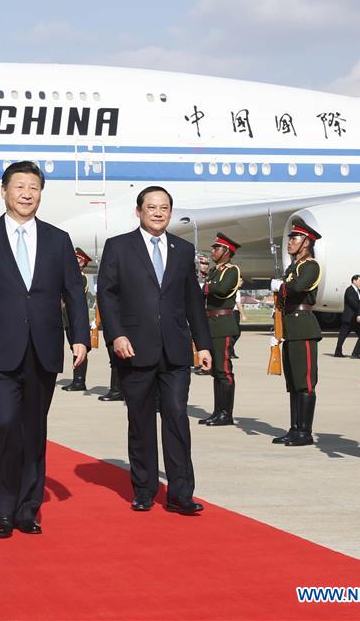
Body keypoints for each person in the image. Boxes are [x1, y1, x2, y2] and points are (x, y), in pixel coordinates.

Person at [0, 161, 89, 538]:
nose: (27, 194)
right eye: (19, 187)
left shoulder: (58, 239)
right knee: (4, 424)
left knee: (33, 430)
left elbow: (73, 293)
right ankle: (0, 509)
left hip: (44, 348)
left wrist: (79, 336)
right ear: (4, 191)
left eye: (33, 187)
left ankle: (27, 509)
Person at [96, 186, 212, 516]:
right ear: (139, 211)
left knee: (176, 417)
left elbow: (193, 301)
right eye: (151, 207)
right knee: (141, 421)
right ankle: (144, 490)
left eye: (164, 208)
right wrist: (115, 336)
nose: (158, 213)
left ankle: (180, 493)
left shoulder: (182, 249)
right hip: (134, 349)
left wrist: (202, 345)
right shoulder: (119, 247)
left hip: (175, 351)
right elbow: (108, 297)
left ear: (170, 213)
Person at [270, 219, 322, 447]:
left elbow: (298, 287)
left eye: (295, 238)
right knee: (293, 383)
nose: (290, 242)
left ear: (307, 242)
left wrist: (280, 287)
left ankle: (305, 432)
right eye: (290, 238)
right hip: (290, 326)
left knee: (305, 382)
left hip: (303, 326)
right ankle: (294, 428)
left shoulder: (311, 265)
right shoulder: (294, 266)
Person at [199, 233, 242, 427]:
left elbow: (221, 289)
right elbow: (209, 287)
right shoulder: (216, 271)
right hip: (212, 323)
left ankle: (226, 413)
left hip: (223, 323)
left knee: (224, 370)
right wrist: (208, 284)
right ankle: (218, 411)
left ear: (226, 252)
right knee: (216, 371)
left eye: (217, 249)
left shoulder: (231, 270)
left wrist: (207, 285)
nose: (213, 251)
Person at [62, 247, 91, 391]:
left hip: (74, 318)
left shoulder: (82, 277)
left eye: (77, 259)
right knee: (73, 348)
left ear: (82, 262)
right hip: (67, 318)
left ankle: (79, 381)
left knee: (79, 348)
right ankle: (77, 379)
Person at [334, 275, 360, 357]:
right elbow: (353, 303)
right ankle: (338, 352)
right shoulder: (349, 290)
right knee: (342, 336)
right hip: (349, 318)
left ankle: (356, 353)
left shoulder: (358, 290)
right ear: (354, 281)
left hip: (355, 318)